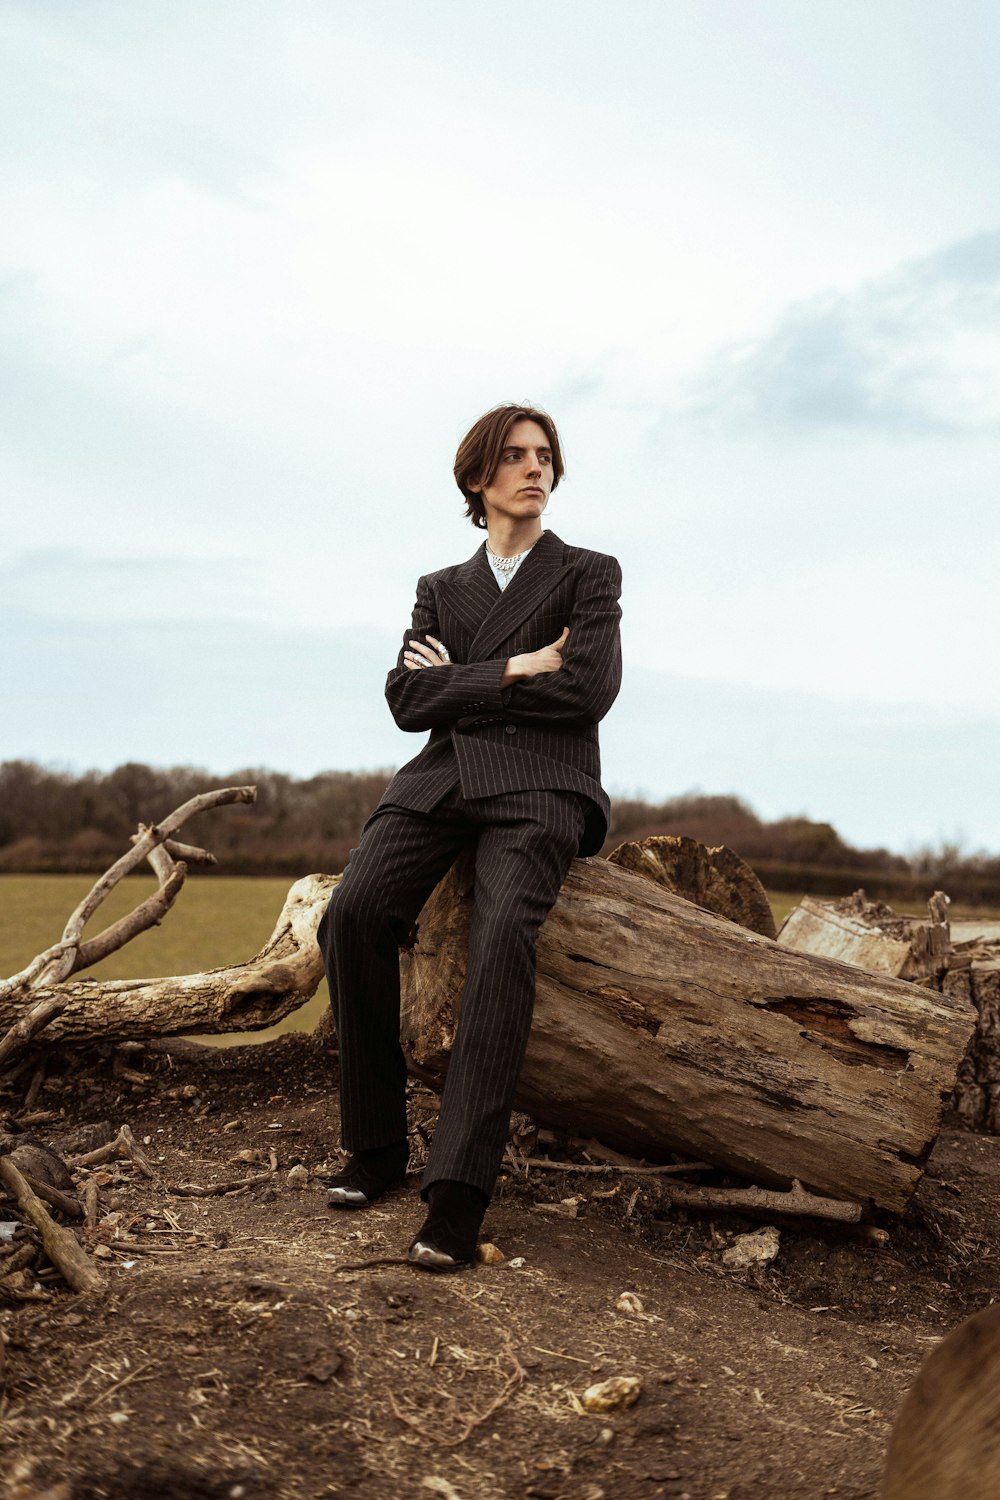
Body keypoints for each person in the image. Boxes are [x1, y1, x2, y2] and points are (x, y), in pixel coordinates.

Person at [317, 402, 622, 1270]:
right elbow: (405, 701)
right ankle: (374, 1146)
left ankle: (457, 1191)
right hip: (441, 778)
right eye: (517, 457)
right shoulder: (441, 588)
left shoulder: (590, 574)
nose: (537, 470)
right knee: (352, 916)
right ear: (477, 478)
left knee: (498, 944)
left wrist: (462, 679)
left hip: (542, 783)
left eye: (546, 456)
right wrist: (518, 666)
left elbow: (589, 691)